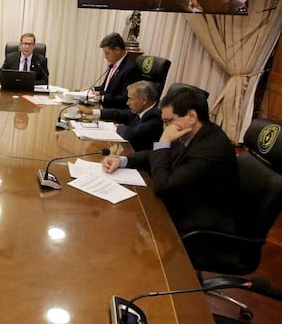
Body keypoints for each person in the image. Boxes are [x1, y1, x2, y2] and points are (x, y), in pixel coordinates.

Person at [102, 84, 239, 235]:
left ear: (192, 117)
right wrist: (121, 160)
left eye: (168, 121)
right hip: (182, 204)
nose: (165, 128)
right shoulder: (193, 133)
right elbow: (153, 155)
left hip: (200, 224)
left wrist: (164, 142)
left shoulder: (212, 148)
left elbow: (163, 187)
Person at [77, 80, 162, 151]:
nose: (128, 103)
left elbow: (131, 135)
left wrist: (118, 127)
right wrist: (92, 112)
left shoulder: (155, 116)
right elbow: (119, 114)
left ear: (144, 100)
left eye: (130, 99)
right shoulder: (142, 109)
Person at [91, 32, 141, 110]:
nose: (105, 57)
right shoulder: (114, 64)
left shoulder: (130, 68)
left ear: (117, 50)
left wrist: (102, 98)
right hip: (104, 106)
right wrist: (92, 89)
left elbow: (124, 98)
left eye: (107, 53)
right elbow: (106, 89)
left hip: (114, 111)